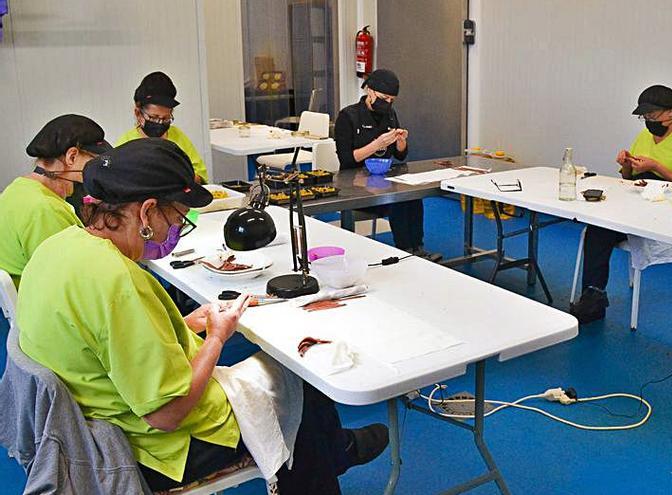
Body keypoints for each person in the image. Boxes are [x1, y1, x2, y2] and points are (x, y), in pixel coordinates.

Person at [16, 138, 388, 494]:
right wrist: (215, 338)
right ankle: (333, 454)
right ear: (146, 211)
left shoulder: (58, 247)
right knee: (302, 378)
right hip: (161, 449)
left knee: (289, 388)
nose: (176, 230)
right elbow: (167, 414)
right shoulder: (117, 282)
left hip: (96, 417)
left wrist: (183, 325)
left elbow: (101, 338)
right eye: (177, 218)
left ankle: (333, 451)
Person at [570, 85, 672, 324]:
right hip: (638, 202)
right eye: (645, 116)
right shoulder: (644, 136)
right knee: (598, 228)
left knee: (604, 227)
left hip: (669, 208)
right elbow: (628, 179)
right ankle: (594, 295)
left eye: (652, 115)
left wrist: (656, 167)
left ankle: (594, 296)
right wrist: (626, 164)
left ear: (670, 112)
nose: (648, 121)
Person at [334, 68, 441, 261]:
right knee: (398, 199)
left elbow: (400, 156)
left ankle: (418, 248)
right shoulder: (348, 116)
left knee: (412, 195)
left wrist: (401, 142)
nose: (388, 103)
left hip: (382, 179)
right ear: (370, 91)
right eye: (384, 98)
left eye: (392, 100)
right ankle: (406, 251)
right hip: (354, 185)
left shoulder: (389, 114)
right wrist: (377, 144)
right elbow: (347, 160)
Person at [0, 114, 111, 287]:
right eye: (93, 162)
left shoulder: (16, 189)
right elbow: (74, 279)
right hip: (35, 303)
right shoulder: (45, 210)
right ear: (72, 157)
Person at [116, 71, 208, 183]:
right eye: (153, 117)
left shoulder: (177, 136)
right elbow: (117, 181)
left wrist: (178, 177)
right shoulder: (126, 143)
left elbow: (200, 176)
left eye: (165, 118)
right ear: (138, 113)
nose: (159, 123)